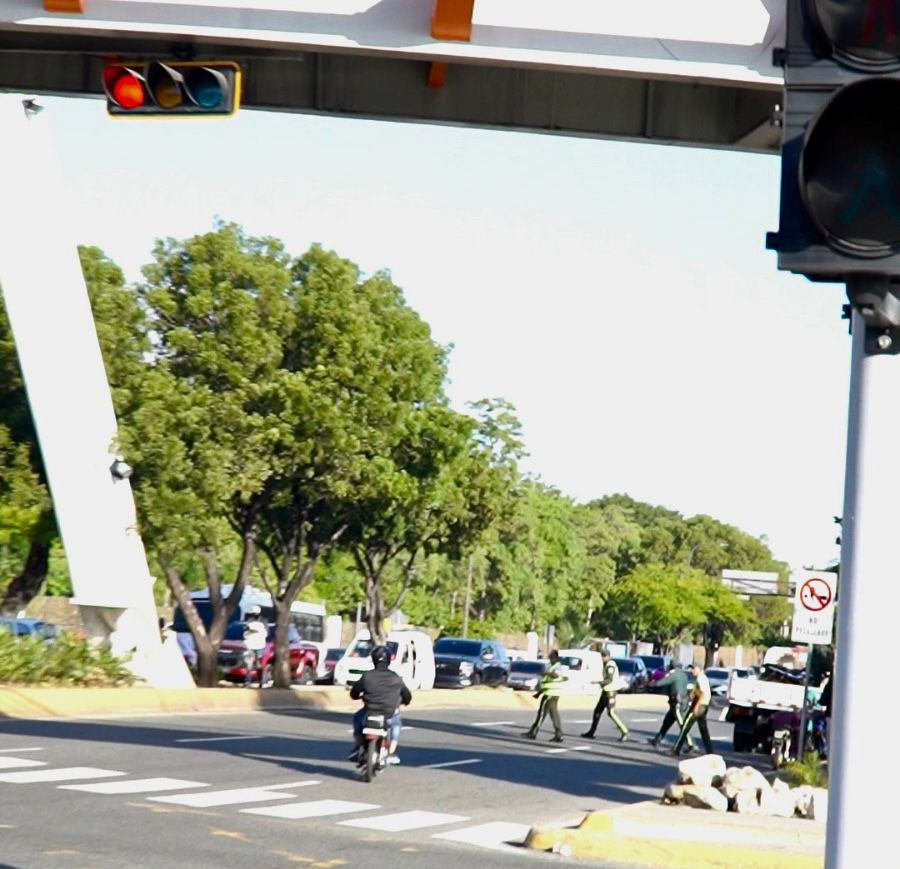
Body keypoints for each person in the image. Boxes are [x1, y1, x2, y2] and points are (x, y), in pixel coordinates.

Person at [349, 644, 412, 765]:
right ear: (389, 660)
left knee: (357, 718)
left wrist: (358, 696)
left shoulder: (367, 676)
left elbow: (354, 692)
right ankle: (391, 751)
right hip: (389, 713)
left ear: (373, 659)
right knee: (396, 724)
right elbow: (407, 696)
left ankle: (358, 746)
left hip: (369, 711)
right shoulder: (396, 678)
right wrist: (404, 701)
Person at [581, 648, 629, 742]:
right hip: (606, 691)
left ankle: (624, 730)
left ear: (608, 656)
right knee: (597, 711)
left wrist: (598, 682)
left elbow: (609, 679)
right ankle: (592, 731)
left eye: (604, 656)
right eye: (602, 656)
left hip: (610, 692)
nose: (602, 658)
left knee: (611, 712)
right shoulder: (606, 664)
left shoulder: (610, 665)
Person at [647, 662, 693, 750]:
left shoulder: (674, 675)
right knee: (667, 722)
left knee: (682, 724)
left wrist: (652, 683)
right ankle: (657, 739)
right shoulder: (683, 674)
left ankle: (691, 743)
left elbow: (662, 682)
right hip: (681, 701)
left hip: (677, 703)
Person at [525, 650, 566, 742]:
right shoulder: (553, 666)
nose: (550, 659)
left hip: (550, 694)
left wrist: (546, 673)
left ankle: (533, 732)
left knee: (541, 714)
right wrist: (539, 693)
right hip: (551, 693)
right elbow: (546, 681)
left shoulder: (556, 667)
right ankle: (559, 734)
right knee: (554, 715)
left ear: (555, 658)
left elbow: (556, 675)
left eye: (551, 658)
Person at [672, 663, 713, 755]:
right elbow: (698, 691)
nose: (692, 671)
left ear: (698, 669)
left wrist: (696, 707)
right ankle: (710, 752)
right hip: (703, 705)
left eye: (693, 669)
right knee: (703, 730)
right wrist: (692, 693)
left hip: (700, 705)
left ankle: (675, 750)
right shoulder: (701, 678)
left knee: (685, 727)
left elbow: (703, 693)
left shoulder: (701, 678)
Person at [242, 606, 268, 688]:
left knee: (257, 664)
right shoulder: (250, 621)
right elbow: (245, 632)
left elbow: (265, 633)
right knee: (249, 664)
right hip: (251, 644)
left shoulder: (263, 622)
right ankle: (248, 682)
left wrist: (252, 632)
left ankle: (260, 681)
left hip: (259, 645)